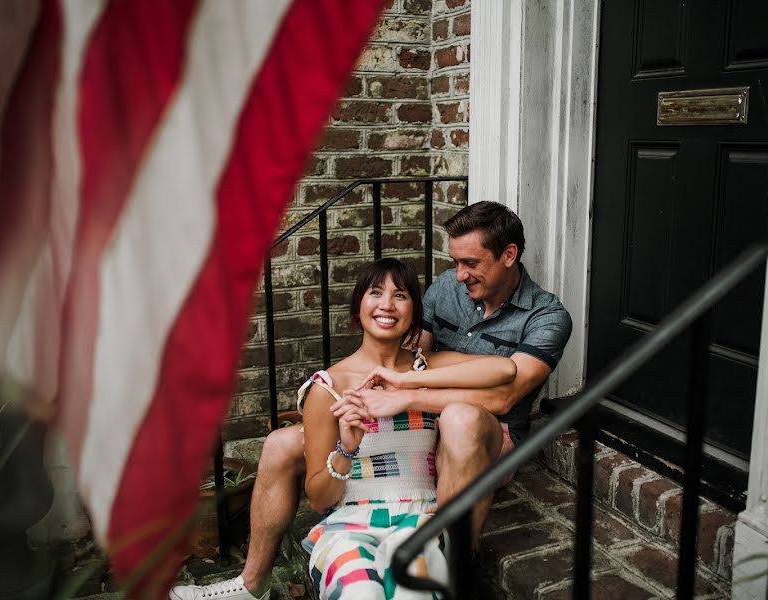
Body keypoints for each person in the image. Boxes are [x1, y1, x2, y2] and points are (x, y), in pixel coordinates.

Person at [170, 201, 571, 600]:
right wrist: (382, 393)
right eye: (455, 262)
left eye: (470, 263)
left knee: (460, 420)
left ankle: (451, 565)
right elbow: (414, 349)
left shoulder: (546, 316)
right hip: (419, 417)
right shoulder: (448, 288)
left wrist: (406, 389)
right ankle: (252, 581)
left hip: (487, 432)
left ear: (508, 255)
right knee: (282, 442)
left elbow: (505, 391)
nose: (459, 274)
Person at [300, 258, 515, 599]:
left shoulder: (423, 368)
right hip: (352, 523)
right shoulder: (327, 387)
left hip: (422, 517)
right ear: (359, 307)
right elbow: (318, 499)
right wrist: (346, 449)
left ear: (414, 313)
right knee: (360, 593)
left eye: (400, 295)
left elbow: (503, 370)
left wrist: (407, 385)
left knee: (411, 592)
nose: (387, 304)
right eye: (375, 293)